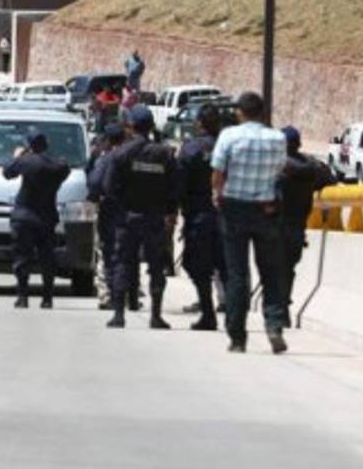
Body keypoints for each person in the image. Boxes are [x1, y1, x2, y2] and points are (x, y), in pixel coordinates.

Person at [211, 91, 289, 354]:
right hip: (265, 209)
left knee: (237, 274)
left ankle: (237, 336)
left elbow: (218, 171)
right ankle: (274, 325)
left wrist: (218, 195)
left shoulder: (230, 136)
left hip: (233, 208)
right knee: (271, 272)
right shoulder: (277, 139)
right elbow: (279, 170)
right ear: (263, 113)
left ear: (240, 113)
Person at [103, 106, 177, 329]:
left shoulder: (121, 154)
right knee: (156, 267)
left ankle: (118, 314)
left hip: (127, 217)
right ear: (152, 127)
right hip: (154, 218)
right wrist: (168, 213)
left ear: (130, 127)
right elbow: (174, 188)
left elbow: (109, 187)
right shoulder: (164, 154)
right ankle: (155, 315)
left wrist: (121, 208)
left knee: (123, 263)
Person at [3, 129, 70, 309]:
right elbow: (64, 169)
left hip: (24, 216)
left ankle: (22, 296)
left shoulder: (25, 162)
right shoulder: (59, 166)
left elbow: (7, 172)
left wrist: (17, 156)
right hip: (46, 217)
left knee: (22, 257)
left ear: (29, 145)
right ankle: (47, 298)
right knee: (47, 258)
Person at [276, 126, 335, 327]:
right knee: (288, 268)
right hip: (298, 225)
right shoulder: (310, 167)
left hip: (277, 225)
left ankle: (280, 309)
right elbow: (330, 179)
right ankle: (283, 305)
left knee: (277, 269)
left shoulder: (277, 166)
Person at [175, 103, 225, 331]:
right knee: (227, 268)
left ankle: (208, 312)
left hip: (199, 217)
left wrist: (172, 211)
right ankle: (231, 315)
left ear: (199, 124)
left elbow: (179, 185)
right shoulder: (228, 146)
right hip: (227, 216)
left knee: (196, 265)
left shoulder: (191, 149)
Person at [86, 123, 126, 310]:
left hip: (110, 211)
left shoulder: (107, 159)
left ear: (107, 140)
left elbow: (94, 183)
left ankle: (107, 294)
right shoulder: (133, 156)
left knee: (106, 252)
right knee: (126, 253)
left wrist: (94, 199)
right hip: (133, 212)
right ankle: (127, 294)